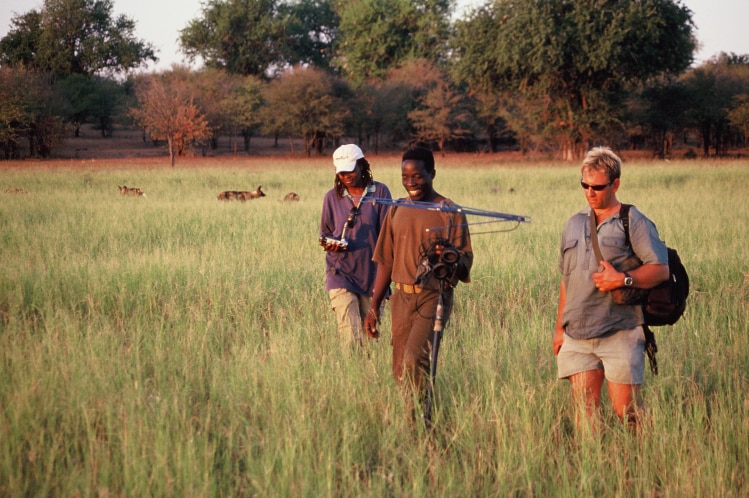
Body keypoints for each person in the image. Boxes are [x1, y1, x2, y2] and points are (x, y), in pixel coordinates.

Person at [553, 146, 669, 433]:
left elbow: (661, 269)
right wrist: (559, 329)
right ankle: (594, 470)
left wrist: (623, 280)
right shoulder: (573, 223)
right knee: (585, 412)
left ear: (615, 184)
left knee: (626, 411)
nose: (590, 192)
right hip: (577, 333)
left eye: (597, 187)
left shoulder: (633, 221)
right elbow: (566, 279)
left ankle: (646, 460)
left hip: (620, 330)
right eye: (585, 185)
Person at [364, 146, 473, 424]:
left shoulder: (450, 211)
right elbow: (385, 261)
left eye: (418, 176)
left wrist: (449, 256)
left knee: (415, 359)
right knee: (400, 367)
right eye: (405, 176)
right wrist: (374, 306)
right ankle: (410, 421)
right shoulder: (396, 208)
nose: (411, 182)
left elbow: (464, 267)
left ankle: (423, 421)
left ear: (432, 174)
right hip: (401, 298)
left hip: (433, 296)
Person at [320, 144, 391, 352]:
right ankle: (347, 376)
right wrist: (331, 244)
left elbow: (389, 235)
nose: (346, 176)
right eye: (341, 172)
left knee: (369, 334)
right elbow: (324, 235)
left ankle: (366, 376)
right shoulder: (332, 197)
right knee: (350, 336)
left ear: (362, 166)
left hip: (373, 275)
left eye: (350, 170)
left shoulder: (380, 191)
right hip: (340, 273)